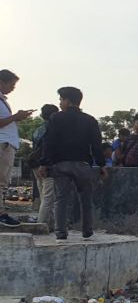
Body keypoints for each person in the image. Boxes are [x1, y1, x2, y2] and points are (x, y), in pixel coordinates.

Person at [38, 87, 104, 240]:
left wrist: (44, 163)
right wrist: (101, 165)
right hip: (83, 165)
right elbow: (96, 145)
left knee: (61, 199)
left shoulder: (55, 118)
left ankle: (61, 232)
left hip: (61, 165)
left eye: (61, 99)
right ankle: (87, 230)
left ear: (67, 100)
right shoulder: (90, 120)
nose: (60, 103)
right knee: (86, 199)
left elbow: (49, 143)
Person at [0, 69, 33, 227]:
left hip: (6, 143)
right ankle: (1, 214)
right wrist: (15, 117)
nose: (13, 88)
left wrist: (16, 118)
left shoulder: (3, 100)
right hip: (2, 144)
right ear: (2, 82)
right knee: (1, 181)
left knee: (3, 181)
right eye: (12, 85)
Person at [29, 104, 60, 230]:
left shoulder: (37, 130)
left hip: (35, 165)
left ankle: (51, 225)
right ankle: (41, 225)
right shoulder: (53, 129)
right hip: (47, 166)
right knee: (48, 197)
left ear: (42, 115)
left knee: (44, 196)